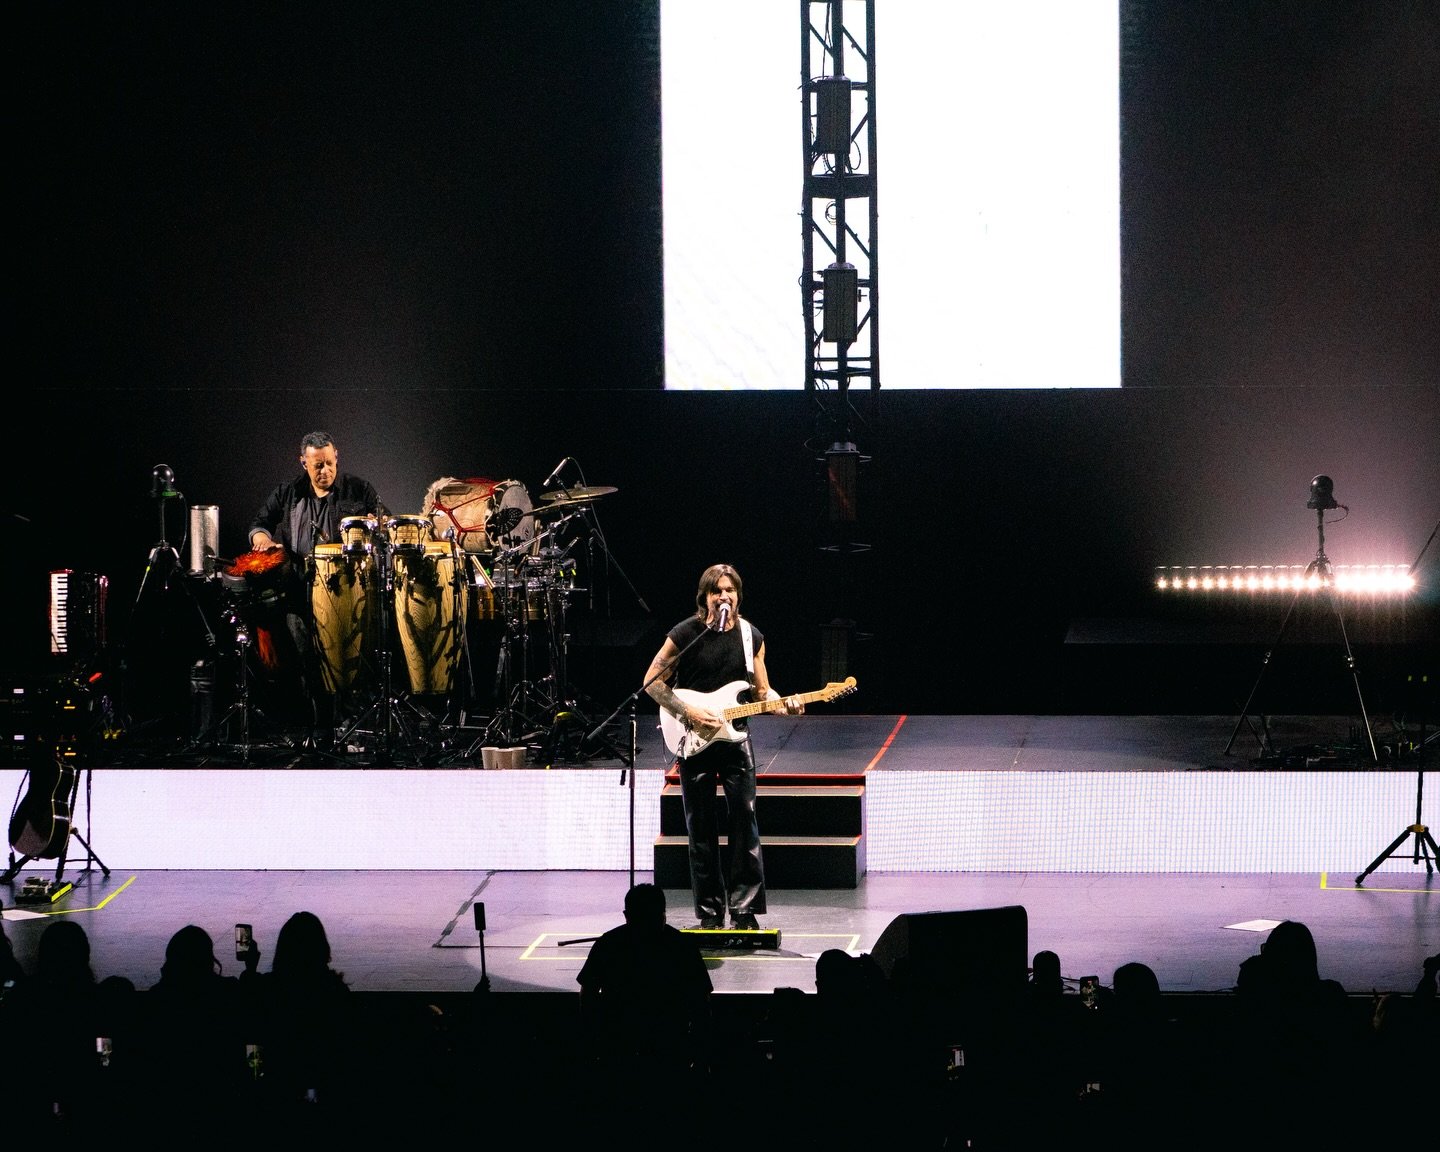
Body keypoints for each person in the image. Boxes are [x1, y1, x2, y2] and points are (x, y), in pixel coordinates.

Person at [642, 563, 804, 930]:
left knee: (744, 822)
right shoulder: (686, 633)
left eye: (729, 590)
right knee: (700, 829)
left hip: (736, 740)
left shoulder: (751, 636)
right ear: (706, 597)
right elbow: (652, 681)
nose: (724, 596)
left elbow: (763, 692)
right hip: (694, 740)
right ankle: (711, 915)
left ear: (738, 595)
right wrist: (688, 712)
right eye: (717, 591)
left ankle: (744, 911)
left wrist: (784, 702)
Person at [247, 430, 385, 746]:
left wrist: (372, 525)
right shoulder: (288, 492)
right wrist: (262, 539)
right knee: (307, 660)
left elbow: (381, 521)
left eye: (329, 463)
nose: (325, 472)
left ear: (336, 455)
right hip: (299, 589)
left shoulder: (359, 489)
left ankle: (349, 726)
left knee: (349, 659)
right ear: (304, 463)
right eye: (317, 466)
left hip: (346, 591)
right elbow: (258, 524)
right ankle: (320, 727)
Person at [575, 883, 713, 1131]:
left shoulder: (609, 943)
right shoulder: (682, 947)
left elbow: (588, 994)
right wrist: (700, 1052)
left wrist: (593, 1038)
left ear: (627, 916)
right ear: (663, 915)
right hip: (669, 1050)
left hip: (620, 1048)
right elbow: (701, 1003)